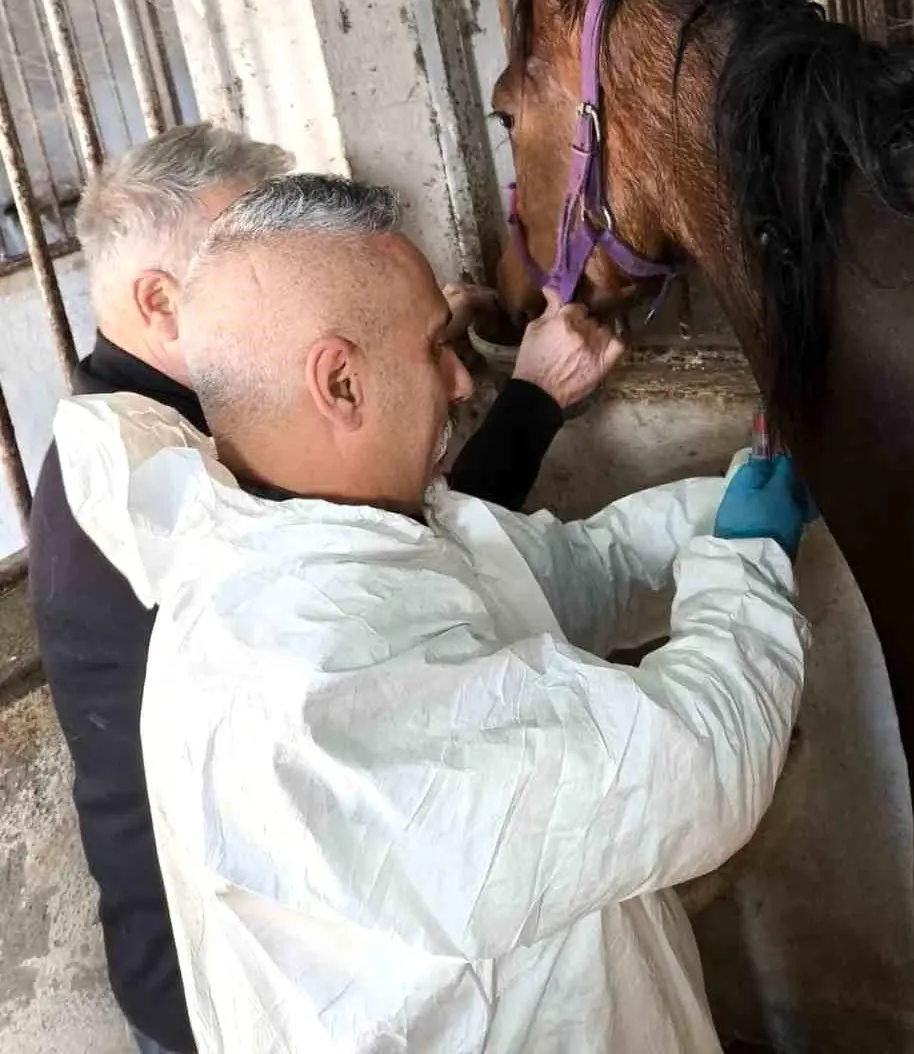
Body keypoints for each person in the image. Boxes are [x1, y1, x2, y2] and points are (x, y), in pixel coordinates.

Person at [53, 173, 812, 1054]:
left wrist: (728, 505)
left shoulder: (346, 527)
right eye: (434, 348)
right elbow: (698, 762)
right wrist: (748, 559)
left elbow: (571, 573)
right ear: (340, 383)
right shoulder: (305, 681)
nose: (459, 381)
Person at [28, 127, 620, 1054]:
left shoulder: (150, 422)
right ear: (160, 301)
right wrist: (531, 398)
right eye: (252, 245)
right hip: (231, 990)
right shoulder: (145, 474)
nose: (289, 260)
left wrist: (404, 327)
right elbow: (398, 557)